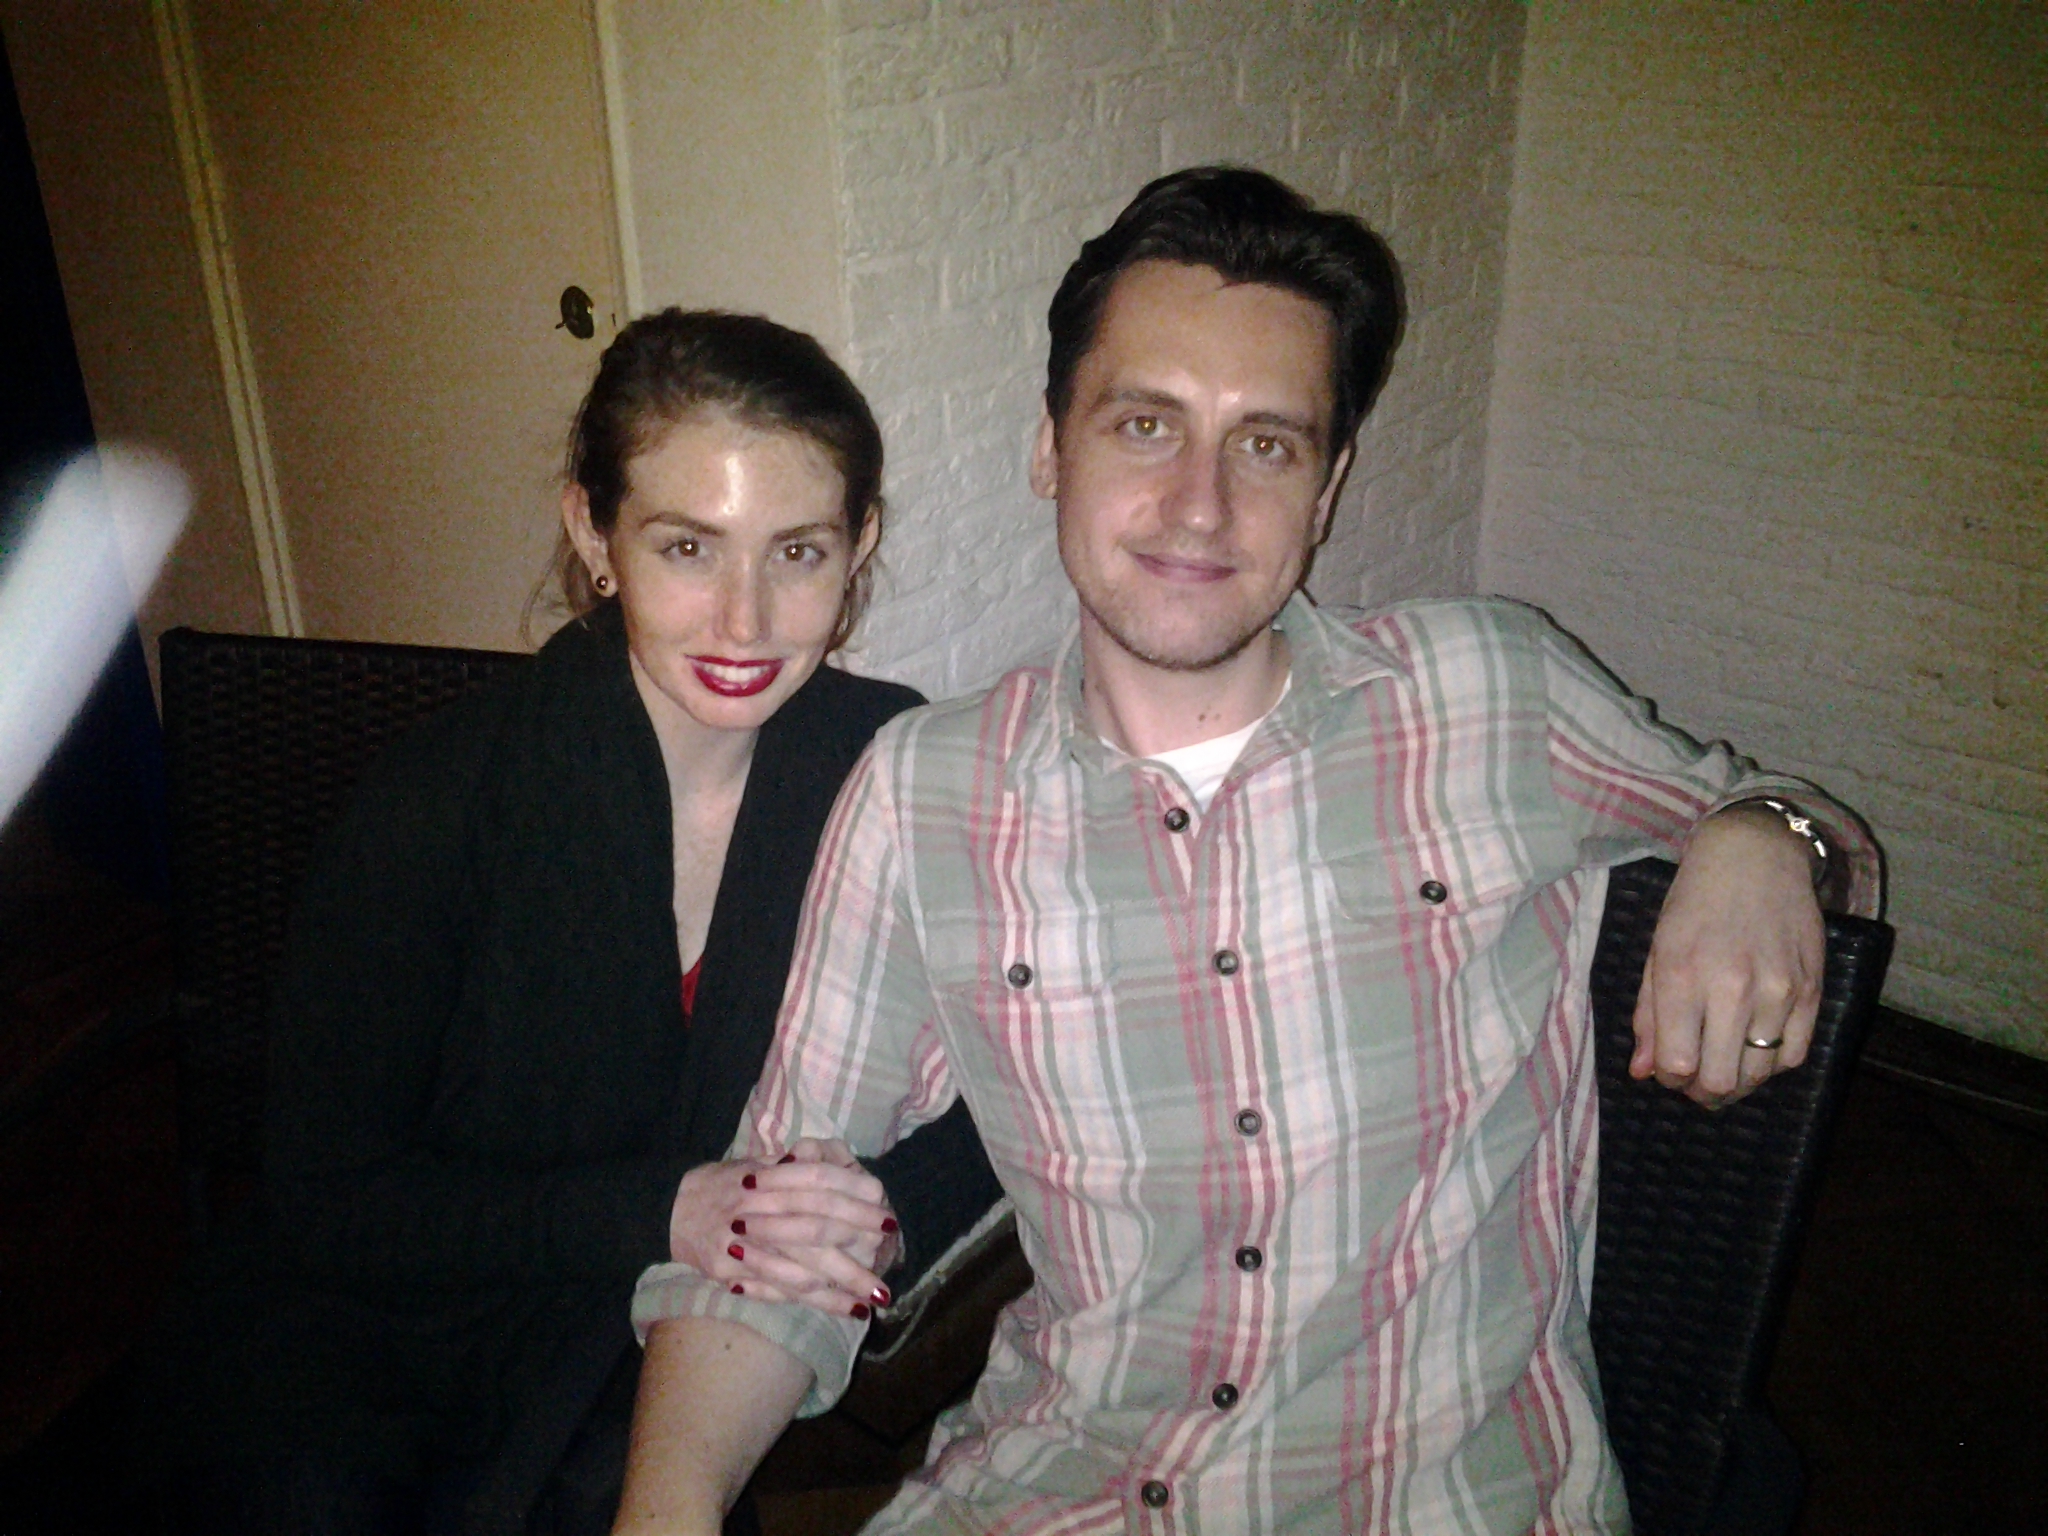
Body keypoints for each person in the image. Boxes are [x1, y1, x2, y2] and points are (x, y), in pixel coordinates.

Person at [617, 168, 1883, 1535]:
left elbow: (1815, 838)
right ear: (1049, 448)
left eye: (1266, 445)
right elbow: (777, 1223)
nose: (1200, 505)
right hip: (1052, 1486)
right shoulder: (924, 794)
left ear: (1327, 488)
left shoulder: (1490, 692)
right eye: (1144, 424)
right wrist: (663, 1512)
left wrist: (1764, 835)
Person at [122, 310, 1000, 1536]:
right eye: (687, 546)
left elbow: (1016, 1071)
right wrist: (664, 1208)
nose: (743, 622)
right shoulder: (440, 801)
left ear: (859, 545)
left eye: (797, 553)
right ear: (593, 531)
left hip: (663, 1342)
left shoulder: (891, 764)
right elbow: (328, 1195)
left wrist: (880, 1208)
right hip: (386, 1336)